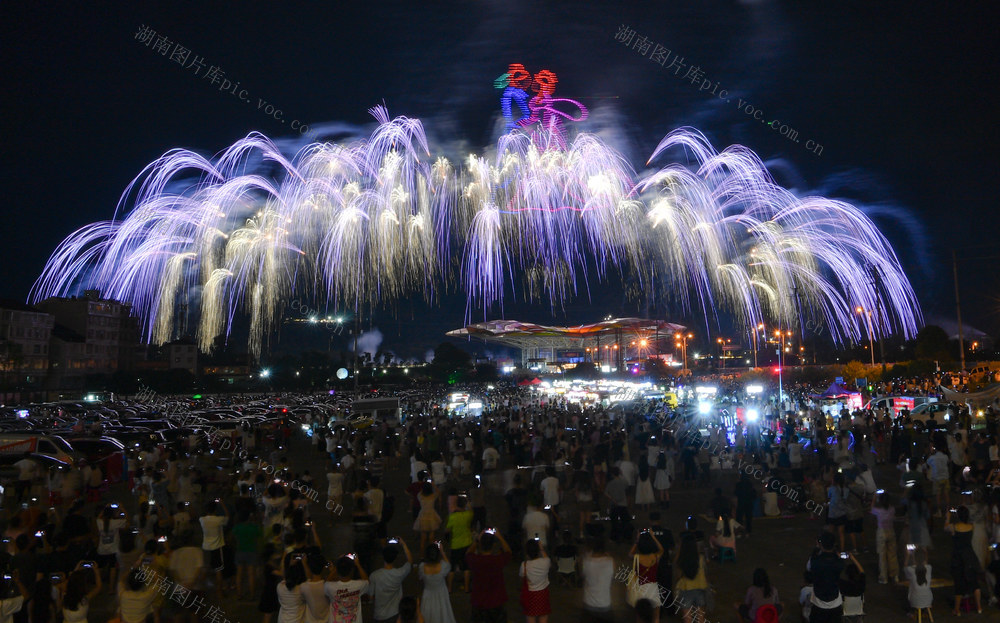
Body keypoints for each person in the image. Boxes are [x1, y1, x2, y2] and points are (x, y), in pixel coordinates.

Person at [466, 529, 512, 623]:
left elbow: (468, 553)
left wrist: (477, 539)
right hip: (496, 601)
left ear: (480, 545)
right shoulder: (497, 560)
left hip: (479, 602)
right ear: (493, 545)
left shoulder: (476, 560)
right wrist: (500, 537)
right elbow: (508, 552)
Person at [945, 505, 983, 615]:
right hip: (970, 556)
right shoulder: (971, 526)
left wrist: (947, 517)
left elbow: (945, 527)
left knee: (958, 583)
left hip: (958, 558)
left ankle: (956, 609)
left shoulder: (954, 527)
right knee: (974, 582)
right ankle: (979, 607)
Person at [368, 539, 413, 623]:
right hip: (395, 614)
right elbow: (410, 561)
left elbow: (371, 597)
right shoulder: (400, 573)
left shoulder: (374, 575)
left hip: (379, 615)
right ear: (395, 558)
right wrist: (404, 544)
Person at [806, 532, 845, 623]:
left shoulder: (814, 561)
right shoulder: (839, 562)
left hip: (818, 603)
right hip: (835, 602)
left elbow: (808, 568)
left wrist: (816, 549)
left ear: (821, 545)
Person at [628, 531, 664, 623]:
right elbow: (661, 550)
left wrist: (637, 540)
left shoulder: (636, 557)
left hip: (640, 590)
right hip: (653, 589)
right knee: (656, 617)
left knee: (640, 618)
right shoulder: (655, 557)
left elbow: (629, 554)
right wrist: (653, 537)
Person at [675, 533, 709, 623]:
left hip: (686, 589)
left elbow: (678, 576)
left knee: (688, 618)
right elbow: (705, 573)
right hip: (700, 588)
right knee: (700, 618)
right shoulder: (701, 558)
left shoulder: (682, 560)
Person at [418, 542, 455, 623]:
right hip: (441, 593)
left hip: (428, 594)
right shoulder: (443, 566)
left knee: (428, 614)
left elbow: (420, 577)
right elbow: (449, 565)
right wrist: (442, 551)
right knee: (443, 613)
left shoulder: (422, 567)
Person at [326, 554, 369, 623]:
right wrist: (357, 564)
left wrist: (336, 567)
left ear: (338, 570)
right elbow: (366, 581)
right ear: (352, 570)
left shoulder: (330, 586)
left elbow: (328, 581)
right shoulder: (359, 585)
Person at [581, 536, 614, 622]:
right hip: (605, 604)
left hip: (589, 603)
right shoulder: (610, 561)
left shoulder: (586, 561)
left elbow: (582, 576)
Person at [444, 496, 474, 592]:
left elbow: (447, 530)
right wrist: (468, 503)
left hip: (455, 544)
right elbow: (471, 510)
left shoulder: (452, 517)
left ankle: (449, 588)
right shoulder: (468, 515)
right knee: (466, 567)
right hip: (467, 543)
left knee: (452, 567)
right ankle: (466, 587)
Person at [233, 509, 263, 600]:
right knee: (251, 574)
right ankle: (252, 595)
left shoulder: (237, 527)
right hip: (252, 551)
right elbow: (259, 537)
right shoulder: (254, 527)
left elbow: (232, 538)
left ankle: (239, 594)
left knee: (239, 574)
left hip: (240, 551)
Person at [869, 491, 898, 584]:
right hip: (891, 531)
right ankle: (894, 575)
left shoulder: (878, 511)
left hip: (881, 532)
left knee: (882, 556)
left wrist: (874, 498)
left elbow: (872, 508)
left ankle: (883, 577)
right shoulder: (892, 509)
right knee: (892, 554)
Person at [519, 538, 551, 623]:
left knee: (530, 617)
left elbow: (522, 578)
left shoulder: (524, 565)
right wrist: (541, 547)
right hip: (543, 593)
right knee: (543, 616)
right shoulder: (546, 562)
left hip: (530, 594)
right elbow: (545, 556)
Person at [902, 546, 933, 615]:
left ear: (914, 559)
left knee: (911, 590)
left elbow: (905, 567)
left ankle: (912, 612)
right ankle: (923, 611)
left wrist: (908, 555)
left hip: (914, 601)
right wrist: (925, 552)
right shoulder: (929, 568)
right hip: (928, 600)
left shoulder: (911, 570)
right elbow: (926, 563)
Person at [413, 481, 441, 554]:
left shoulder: (420, 496)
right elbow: (438, 492)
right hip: (431, 515)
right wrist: (433, 485)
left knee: (423, 538)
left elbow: (420, 492)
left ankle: (422, 556)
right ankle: (432, 553)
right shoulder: (433, 496)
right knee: (432, 537)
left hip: (422, 515)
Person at [839, 553, 865, 622]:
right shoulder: (861, 584)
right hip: (858, 612)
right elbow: (862, 572)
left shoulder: (843, 584)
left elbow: (834, 576)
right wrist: (853, 558)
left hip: (846, 612)